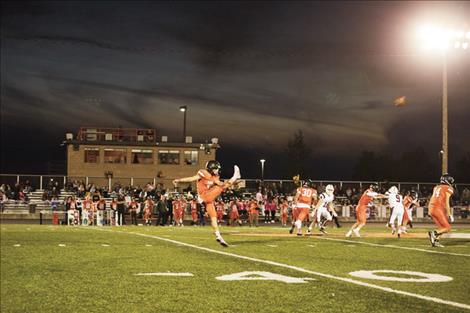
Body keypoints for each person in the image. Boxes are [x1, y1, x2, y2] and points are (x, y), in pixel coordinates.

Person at [173, 160, 240, 247]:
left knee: (214, 216)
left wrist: (231, 184)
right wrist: (179, 180)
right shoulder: (203, 173)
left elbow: (221, 184)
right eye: (216, 169)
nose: (217, 171)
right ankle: (235, 176)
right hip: (204, 195)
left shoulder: (215, 176)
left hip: (209, 199)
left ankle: (218, 235)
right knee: (221, 188)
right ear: (211, 168)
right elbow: (192, 178)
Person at [428, 174, 455, 247]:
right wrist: (449, 214)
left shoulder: (436, 187)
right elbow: (447, 202)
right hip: (438, 208)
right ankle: (434, 233)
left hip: (431, 207)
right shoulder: (448, 188)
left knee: (442, 227)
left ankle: (436, 241)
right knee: (447, 228)